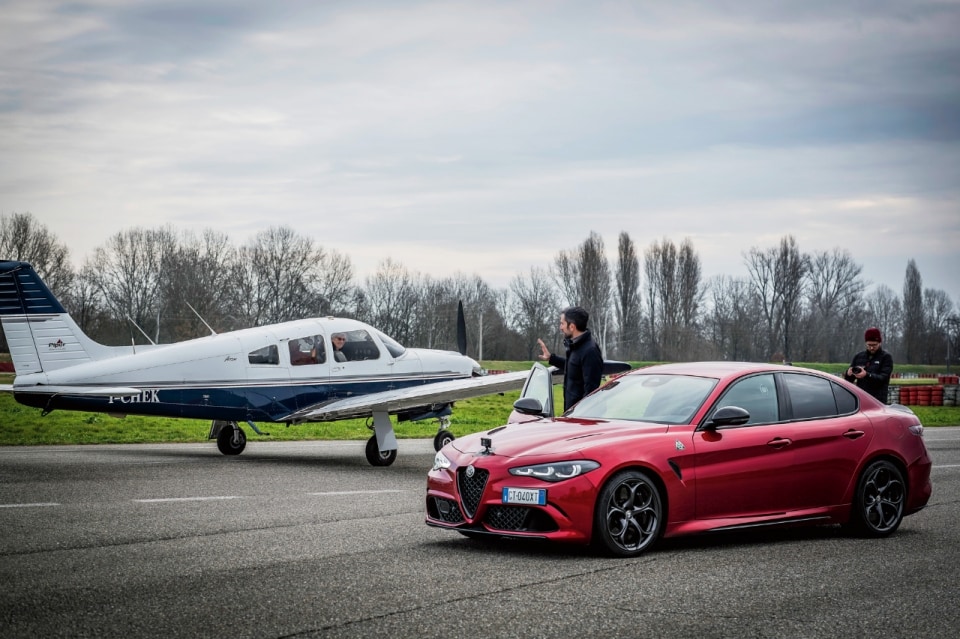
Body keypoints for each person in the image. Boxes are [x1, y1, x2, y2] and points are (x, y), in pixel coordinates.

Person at [537, 306, 604, 411]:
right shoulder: (576, 346)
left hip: (579, 416)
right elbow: (574, 367)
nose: (560, 327)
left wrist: (577, 414)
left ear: (572, 326)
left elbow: (591, 391)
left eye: (562, 323)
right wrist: (551, 358)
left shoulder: (590, 351)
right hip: (571, 414)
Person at [845, 327, 894, 403]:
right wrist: (848, 374)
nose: (871, 348)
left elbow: (883, 378)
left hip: (878, 400)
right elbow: (849, 381)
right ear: (866, 343)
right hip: (861, 398)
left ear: (879, 343)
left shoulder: (886, 357)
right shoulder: (858, 357)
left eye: (874, 345)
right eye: (869, 345)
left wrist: (867, 375)